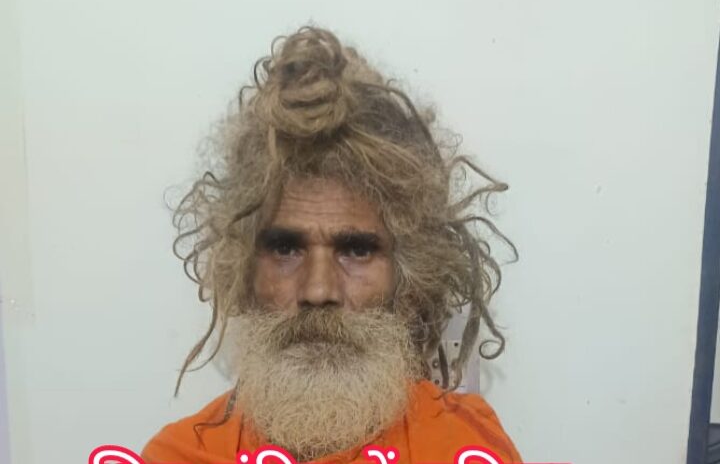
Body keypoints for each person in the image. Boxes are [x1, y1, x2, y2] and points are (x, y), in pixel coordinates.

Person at [142, 26, 521, 464]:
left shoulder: (465, 445)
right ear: (242, 269)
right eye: (285, 249)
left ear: (407, 276)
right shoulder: (181, 455)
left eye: (356, 250)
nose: (318, 290)